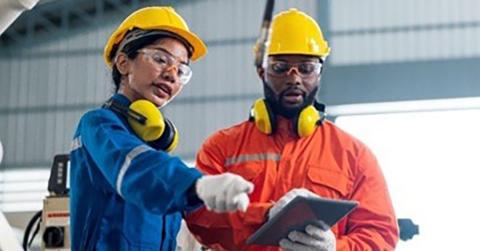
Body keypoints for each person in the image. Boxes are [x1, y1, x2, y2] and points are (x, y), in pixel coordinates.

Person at [185, 8, 399, 251]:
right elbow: (197, 216)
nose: (294, 78)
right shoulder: (222, 148)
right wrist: (264, 215)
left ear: (319, 73)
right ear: (261, 71)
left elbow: (381, 235)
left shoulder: (354, 155)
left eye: (306, 68)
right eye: (280, 67)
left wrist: (335, 248)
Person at [69, 6, 253, 251]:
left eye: (181, 70)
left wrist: (271, 221)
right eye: (160, 59)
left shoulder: (156, 153)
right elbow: (136, 170)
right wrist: (198, 184)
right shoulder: (98, 126)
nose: (172, 75)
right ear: (123, 62)